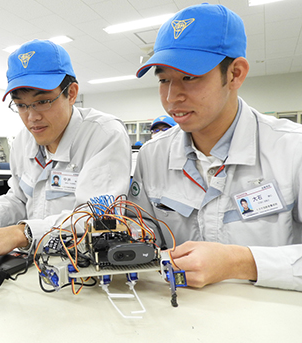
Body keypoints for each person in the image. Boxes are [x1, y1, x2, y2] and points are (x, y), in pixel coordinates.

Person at [129, 3, 302, 291]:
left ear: (235, 74)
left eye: (189, 77)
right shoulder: (152, 156)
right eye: (163, 80)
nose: (172, 97)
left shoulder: (293, 150)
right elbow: (139, 236)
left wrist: (241, 262)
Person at [0, 39, 131, 274]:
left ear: (71, 93)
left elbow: (98, 217)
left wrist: (21, 233)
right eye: (21, 105)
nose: (31, 118)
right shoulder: (23, 140)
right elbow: (19, 197)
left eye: (42, 102)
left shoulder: (103, 134)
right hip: (28, 265)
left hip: (79, 268)